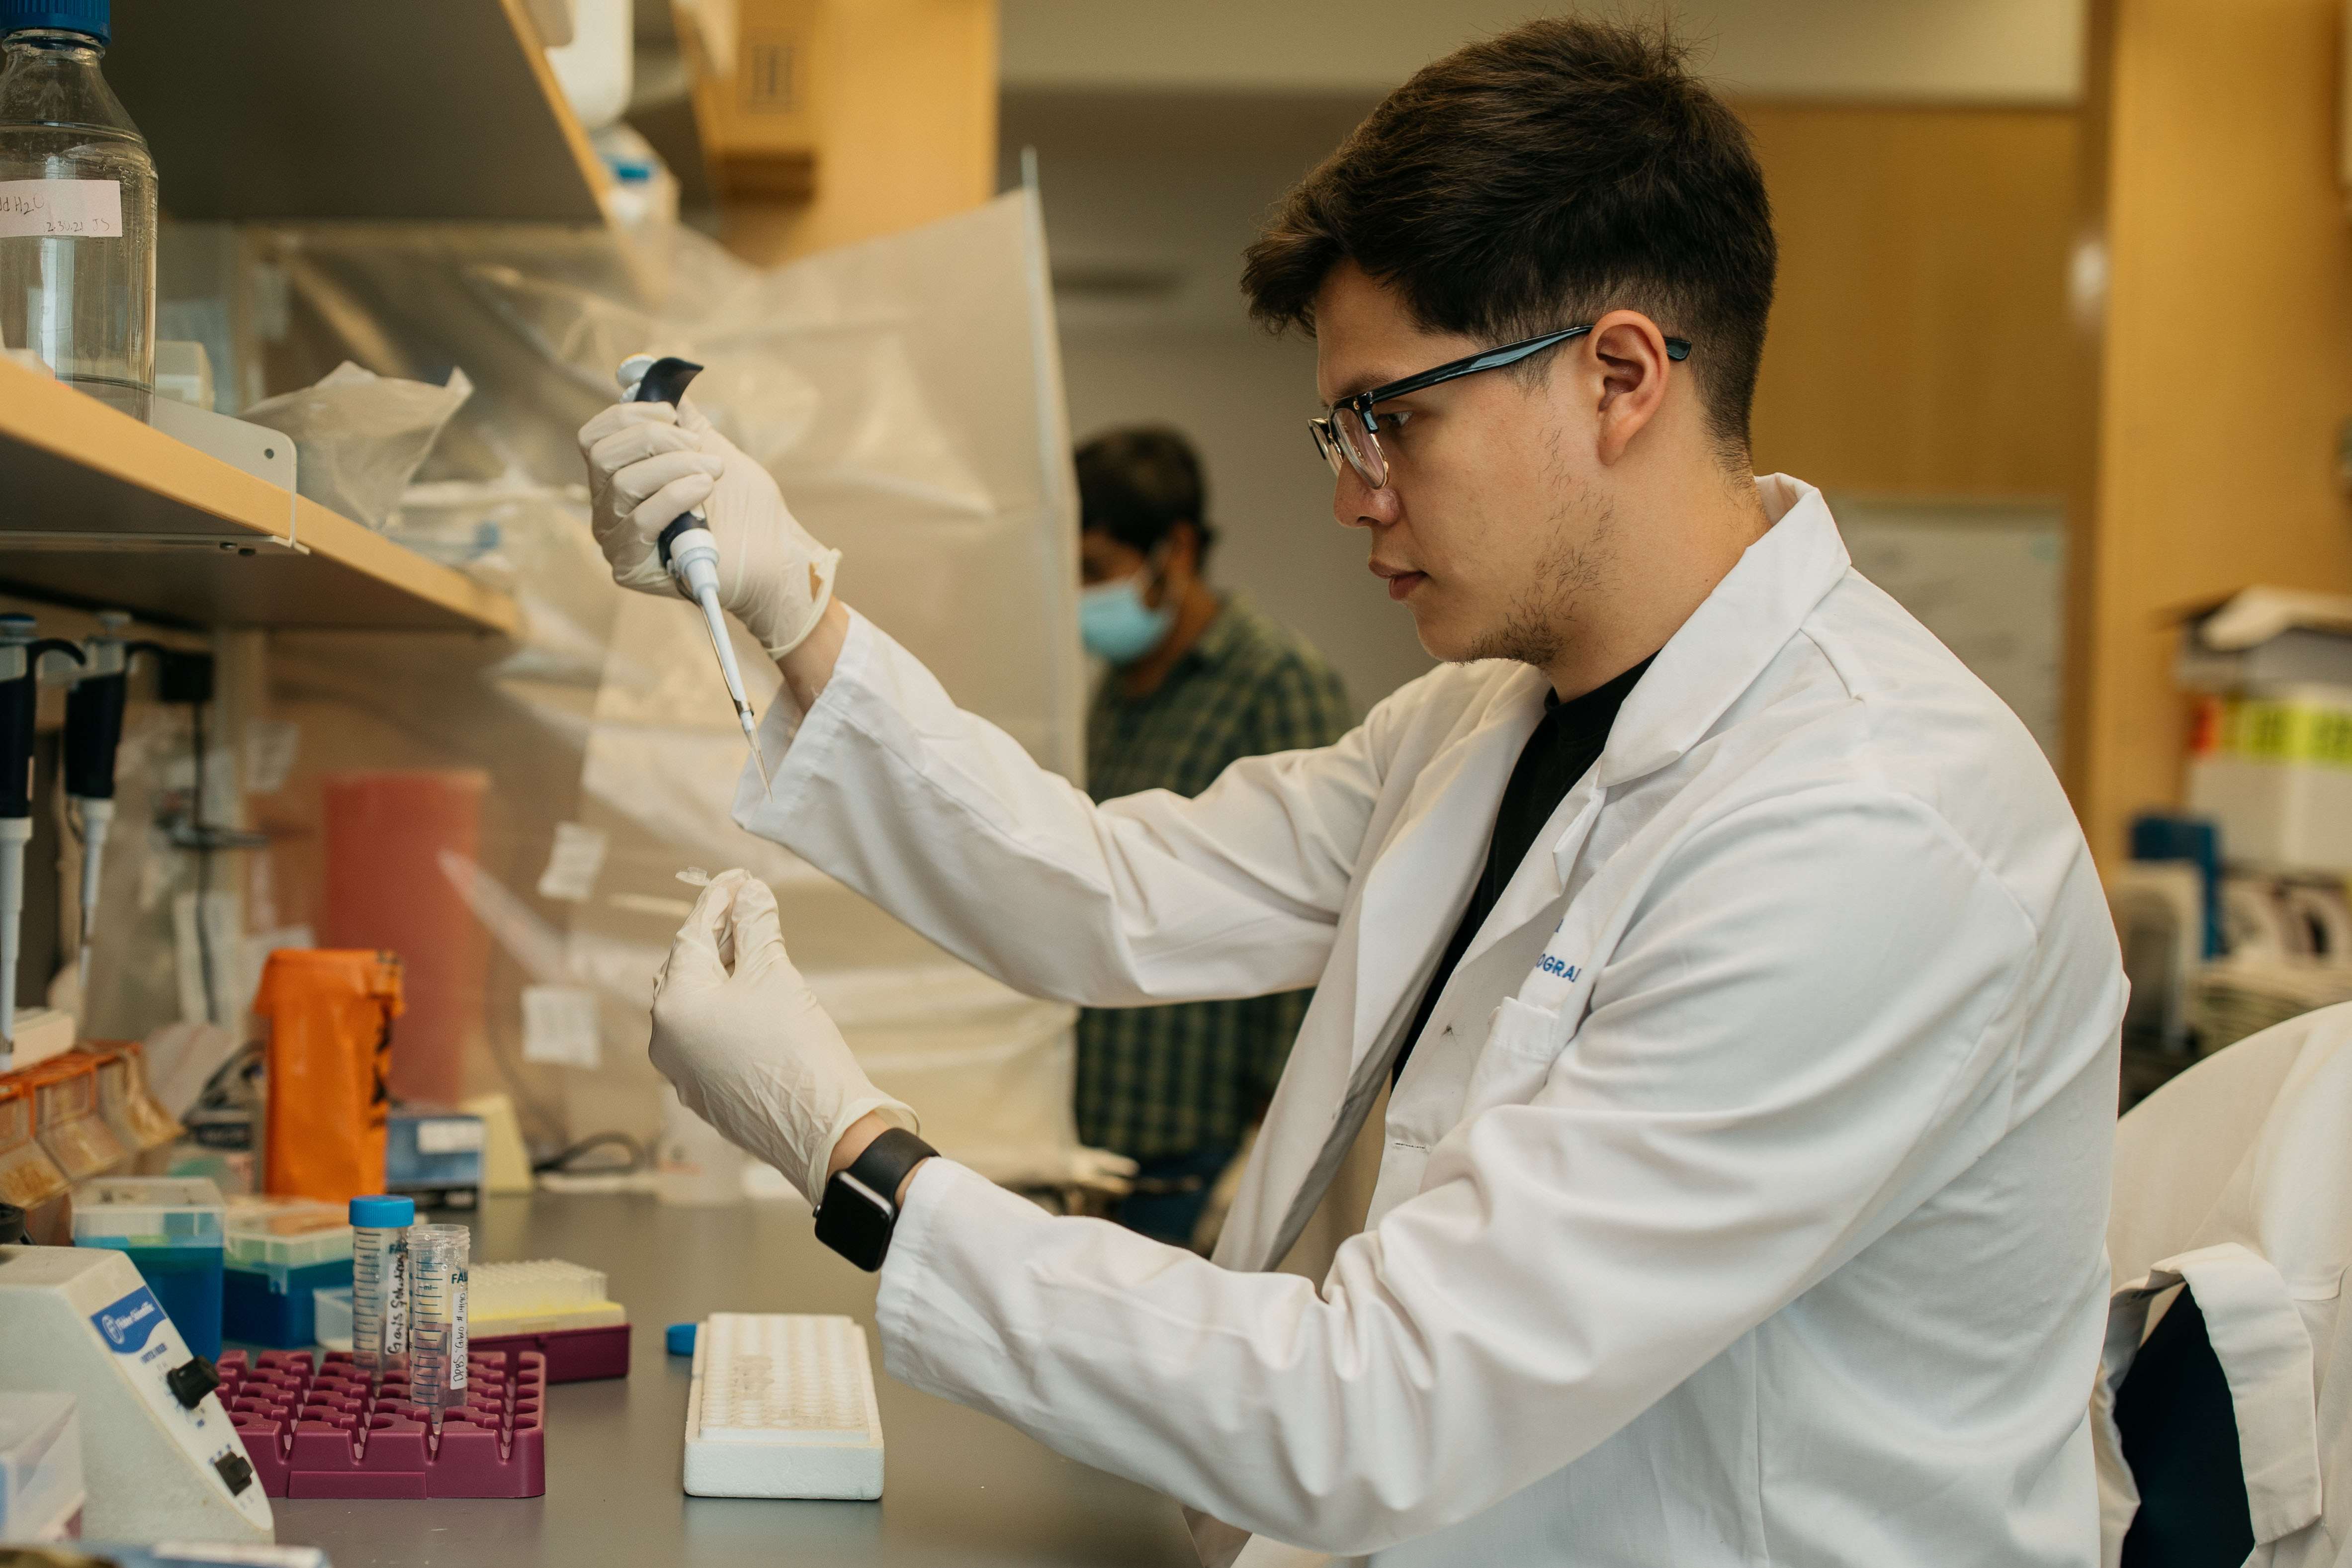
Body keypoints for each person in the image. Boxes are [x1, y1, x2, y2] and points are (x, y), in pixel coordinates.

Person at [578, 18, 2124, 1567]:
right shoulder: (1486, 720)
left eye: (1395, 417)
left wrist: (853, 1156)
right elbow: (1105, 892)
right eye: (1343, 424)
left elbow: (1382, 1407)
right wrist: (793, 613)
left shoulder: (1873, 831)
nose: (1347, 490)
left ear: (1619, 376)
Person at [1071, 426, 1351, 1246]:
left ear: (1178, 548)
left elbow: (1327, 908)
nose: (1084, 596)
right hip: (1104, 1130)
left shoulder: (1276, 683)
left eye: (1096, 568)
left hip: (1204, 1143)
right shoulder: (1117, 692)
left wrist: (1269, 1144)